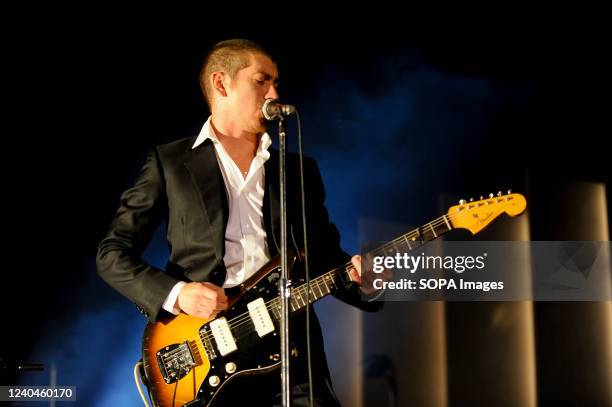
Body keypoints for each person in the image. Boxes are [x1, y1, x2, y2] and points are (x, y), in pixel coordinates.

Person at [96, 38, 382, 406]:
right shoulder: (169, 163)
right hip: (207, 352)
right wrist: (179, 294)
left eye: (276, 82)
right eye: (262, 80)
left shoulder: (298, 171)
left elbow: (324, 258)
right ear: (221, 83)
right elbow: (112, 253)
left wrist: (365, 281)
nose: (274, 92)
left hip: (291, 350)